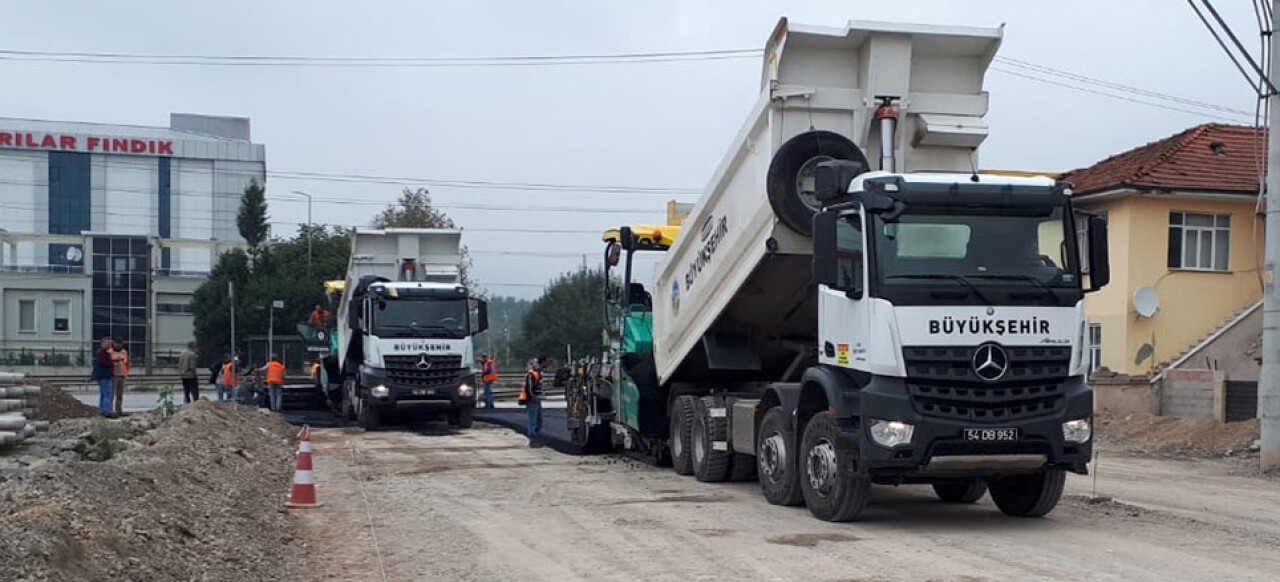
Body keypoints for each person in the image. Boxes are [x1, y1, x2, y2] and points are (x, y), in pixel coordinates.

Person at [519, 356, 548, 448]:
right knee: (533, 421)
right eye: (547, 362)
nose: (548, 364)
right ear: (542, 362)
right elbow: (529, 387)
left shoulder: (539, 372)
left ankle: (537, 439)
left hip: (536, 399)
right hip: (532, 400)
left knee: (539, 421)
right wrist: (533, 396)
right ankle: (533, 440)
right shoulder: (533, 373)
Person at [91, 337, 115, 417]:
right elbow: (106, 364)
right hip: (104, 376)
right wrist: (112, 363)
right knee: (107, 393)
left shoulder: (100, 353)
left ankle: (102, 409)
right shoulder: (103, 353)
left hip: (101, 376)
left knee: (103, 394)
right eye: (108, 343)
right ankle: (106, 411)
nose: (110, 345)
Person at [111, 341, 129, 417]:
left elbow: (126, 362)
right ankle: (110, 410)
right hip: (113, 376)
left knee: (120, 394)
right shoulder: (111, 352)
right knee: (111, 394)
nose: (118, 345)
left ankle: (119, 410)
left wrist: (126, 373)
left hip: (122, 375)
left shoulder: (124, 352)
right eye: (116, 343)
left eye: (119, 343)